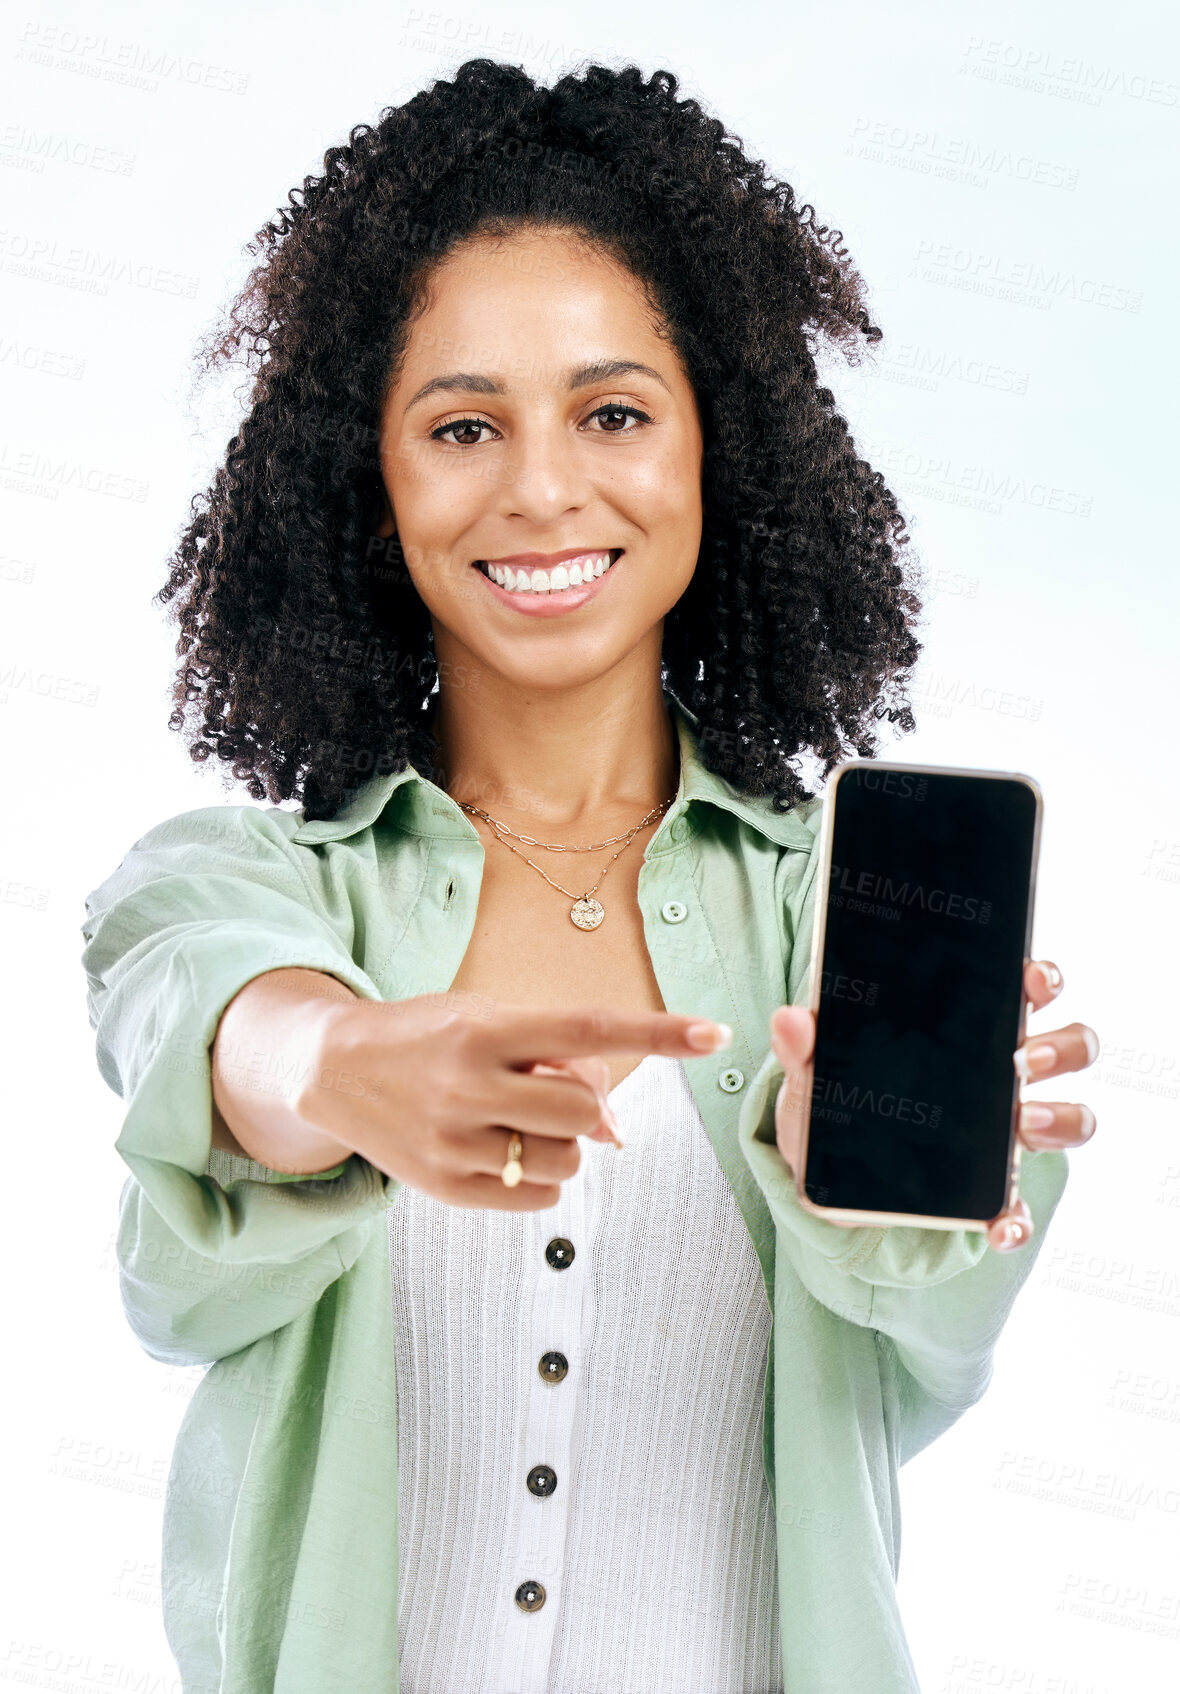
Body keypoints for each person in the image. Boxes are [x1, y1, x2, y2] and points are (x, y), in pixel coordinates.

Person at [80, 58, 1098, 1694]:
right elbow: (221, 1027)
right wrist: (342, 1066)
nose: (543, 487)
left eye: (613, 411)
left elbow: (937, 1342)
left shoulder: (850, 924)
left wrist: (887, 1165)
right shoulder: (245, 883)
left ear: (722, 450)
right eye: (463, 424)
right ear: (372, 476)